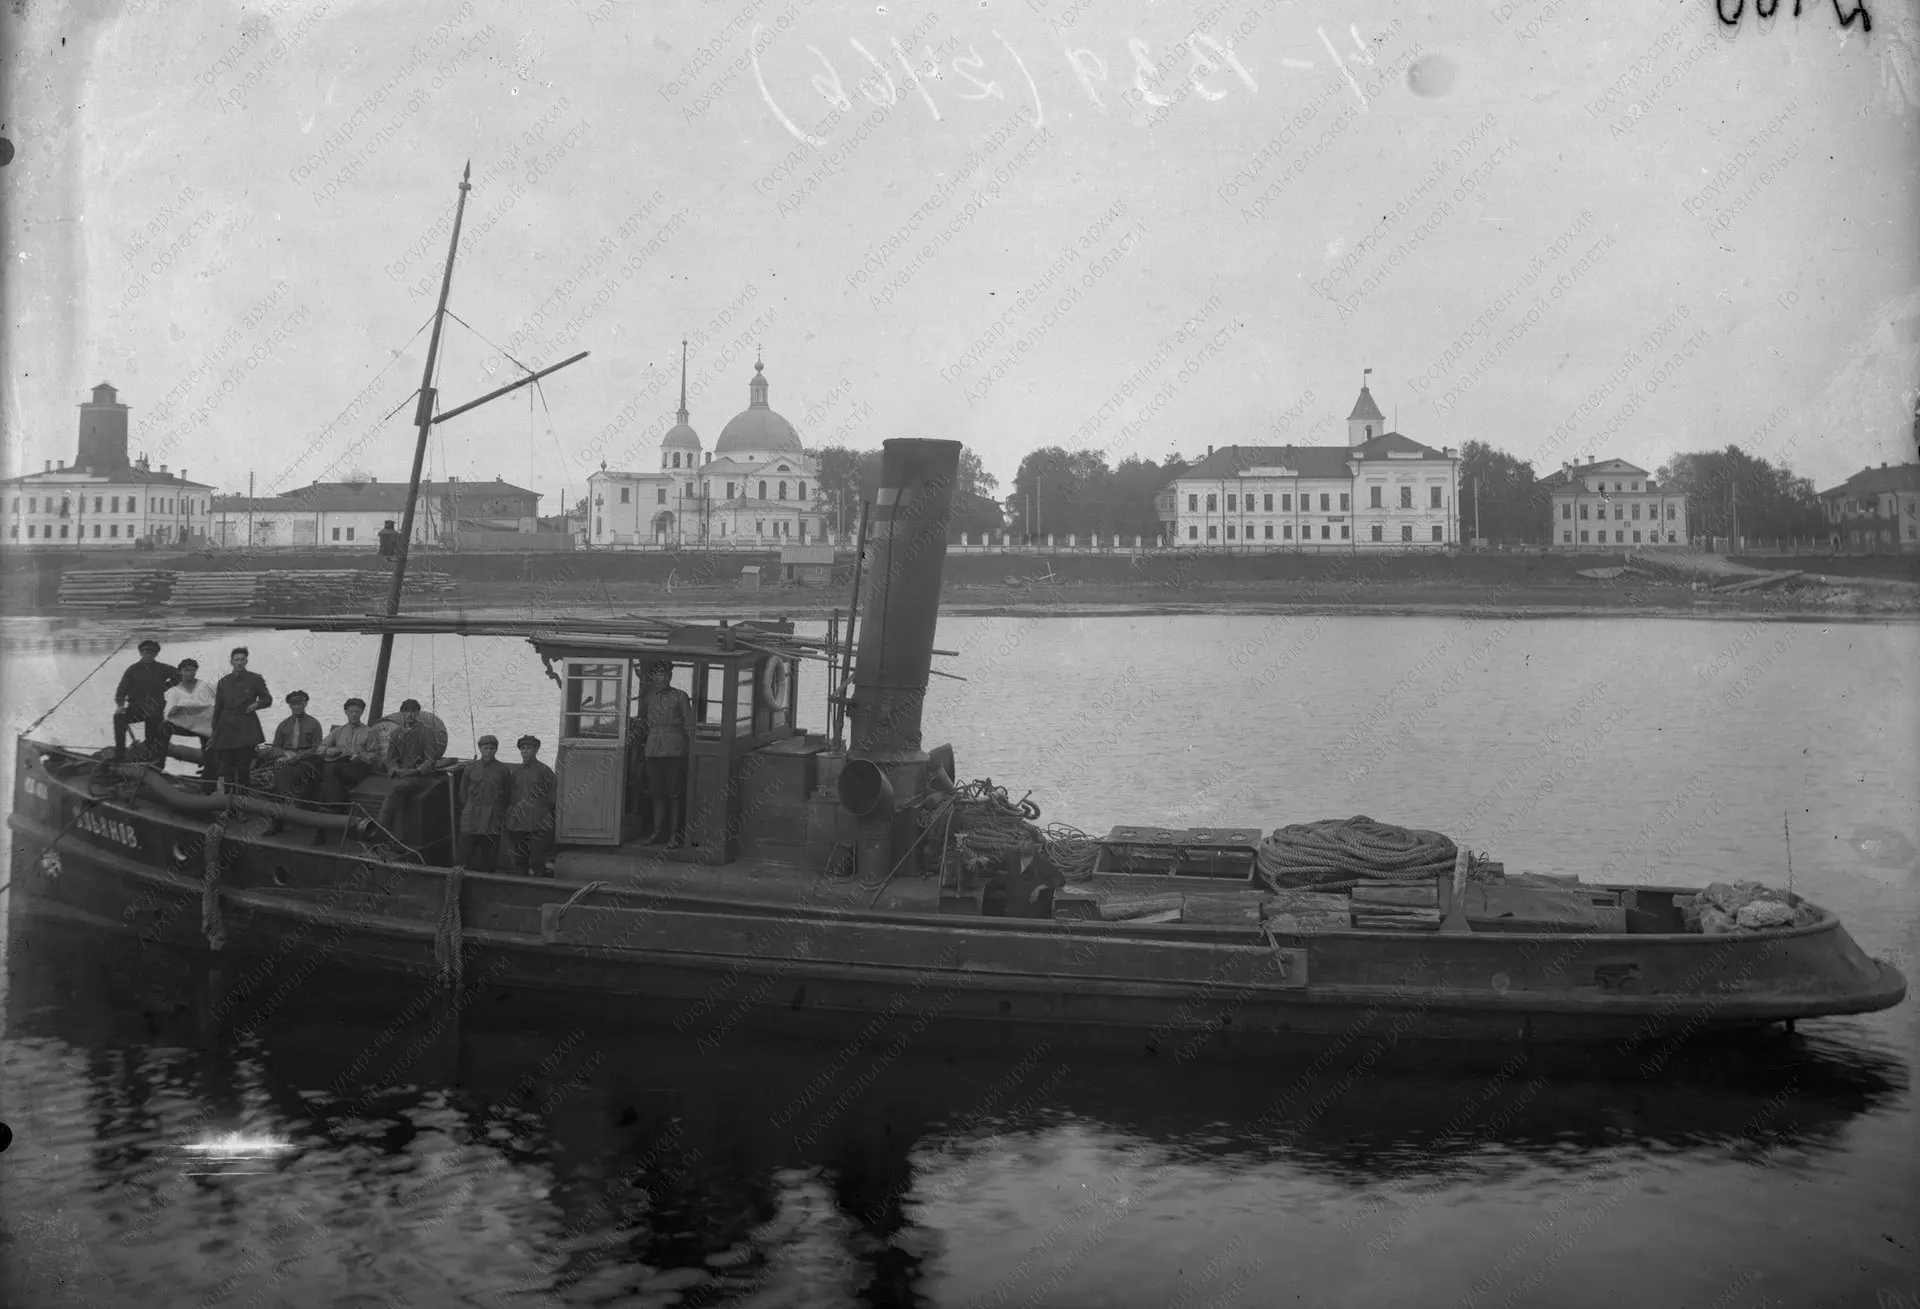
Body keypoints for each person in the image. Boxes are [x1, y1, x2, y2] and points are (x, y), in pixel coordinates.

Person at [639, 663, 695, 848]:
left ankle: (674, 836)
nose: (660, 678)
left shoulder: (680, 696)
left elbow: (689, 724)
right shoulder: (649, 698)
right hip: (653, 751)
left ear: (670, 676)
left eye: (664, 674)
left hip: (675, 751)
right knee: (657, 793)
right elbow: (643, 722)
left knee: (675, 795)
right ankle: (657, 833)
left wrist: (694, 750)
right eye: (657, 674)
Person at [206, 647, 272, 791]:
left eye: (242, 659)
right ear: (231, 662)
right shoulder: (223, 682)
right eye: (236, 660)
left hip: (246, 727)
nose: (239, 662)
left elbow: (267, 699)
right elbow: (218, 709)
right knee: (226, 767)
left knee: (243, 766)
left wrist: (256, 704)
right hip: (226, 728)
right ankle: (227, 797)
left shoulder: (256, 679)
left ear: (246, 661)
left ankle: (243, 797)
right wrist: (214, 733)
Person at [263, 691, 324, 836]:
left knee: (288, 777)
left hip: (307, 761)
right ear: (289, 706)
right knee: (279, 776)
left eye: (300, 704)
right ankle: (276, 822)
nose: (297, 707)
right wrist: (285, 754)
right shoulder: (283, 725)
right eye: (293, 704)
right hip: (287, 759)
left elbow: (316, 748)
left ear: (305, 704)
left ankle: (307, 819)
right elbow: (276, 747)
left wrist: (299, 756)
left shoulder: (314, 724)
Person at [374, 698, 439, 834]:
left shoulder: (427, 733)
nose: (409, 715)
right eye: (406, 711)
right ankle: (398, 837)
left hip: (420, 778)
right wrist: (395, 770)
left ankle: (380, 826)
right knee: (397, 794)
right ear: (402, 714)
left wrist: (415, 771)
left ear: (418, 714)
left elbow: (430, 759)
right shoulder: (396, 734)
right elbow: (390, 758)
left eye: (413, 711)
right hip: (401, 775)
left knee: (396, 789)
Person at [113, 639, 179, 762]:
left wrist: (165, 687)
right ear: (141, 653)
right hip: (135, 709)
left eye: (151, 653)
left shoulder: (162, 668)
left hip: (154, 710)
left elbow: (179, 675)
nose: (148, 655)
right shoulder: (132, 669)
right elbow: (122, 689)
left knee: (152, 739)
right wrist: (120, 705)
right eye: (145, 652)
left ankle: (151, 760)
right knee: (119, 718)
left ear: (156, 654)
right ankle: (120, 755)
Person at [502, 735, 558, 876]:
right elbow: (511, 796)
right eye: (523, 748)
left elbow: (553, 796)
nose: (525, 751)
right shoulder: (516, 773)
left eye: (529, 748)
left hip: (539, 822)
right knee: (520, 859)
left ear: (536, 749)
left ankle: (539, 884)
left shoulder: (544, 771)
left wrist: (544, 812)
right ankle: (520, 884)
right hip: (518, 822)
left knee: (537, 859)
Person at [454, 735, 511, 871]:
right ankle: (459, 880)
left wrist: (499, 811)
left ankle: (487, 881)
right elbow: (463, 792)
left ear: (496, 750)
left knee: (489, 856)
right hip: (471, 817)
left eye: (492, 748)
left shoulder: (502, 769)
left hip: (492, 818)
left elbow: (508, 794)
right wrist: (468, 808)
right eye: (486, 748)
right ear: (480, 749)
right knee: (463, 855)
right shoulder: (470, 768)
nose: (489, 751)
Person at [318, 697, 381, 809]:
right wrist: (328, 750)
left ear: (362, 712)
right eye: (351, 711)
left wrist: (361, 757)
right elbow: (320, 748)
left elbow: (374, 754)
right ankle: (337, 806)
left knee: (331, 770)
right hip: (340, 764)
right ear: (346, 712)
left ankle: (332, 807)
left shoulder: (368, 732)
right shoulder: (338, 731)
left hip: (358, 766)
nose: (354, 715)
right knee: (331, 770)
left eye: (357, 711)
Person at [160, 656, 215, 777]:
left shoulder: (207, 686)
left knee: (209, 736)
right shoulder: (174, 690)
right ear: (180, 672)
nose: (189, 673)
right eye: (186, 670)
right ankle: (159, 765)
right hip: (185, 725)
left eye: (192, 670)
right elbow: (168, 712)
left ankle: (209, 772)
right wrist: (177, 711)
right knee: (164, 727)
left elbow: (222, 699)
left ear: (196, 671)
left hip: (203, 725)